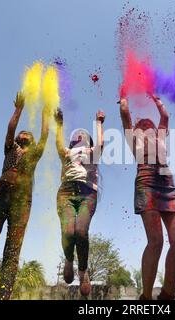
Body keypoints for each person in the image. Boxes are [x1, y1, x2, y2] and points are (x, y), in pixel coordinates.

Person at [0, 92, 51, 300]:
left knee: (12, 253)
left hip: (23, 200)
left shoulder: (34, 154)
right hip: (0, 193)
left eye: (27, 134)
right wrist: (19, 109)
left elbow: (45, 135)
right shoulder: (10, 148)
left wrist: (46, 113)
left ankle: (4, 297)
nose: (24, 134)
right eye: (22, 133)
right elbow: (11, 129)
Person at [119, 96, 175, 300]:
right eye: (142, 122)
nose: (146, 122)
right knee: (156, 241)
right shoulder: (133, 138)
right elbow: (124, 111)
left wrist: (156, 99)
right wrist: (123, 92)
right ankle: (146, 298)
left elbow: (165, 115)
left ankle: (167, 295)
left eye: (150, 122)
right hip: (146, 181)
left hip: (168, 185)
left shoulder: (160, 137)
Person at [55, 109, 105, 297]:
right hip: (66, 193)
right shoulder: (67, 153)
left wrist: (99, 122)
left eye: (84, 134)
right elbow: (58, 146)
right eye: (77, 134)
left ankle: (83, 270)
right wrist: (59, 125)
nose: (80, 134)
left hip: (87, 193)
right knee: (68, 231)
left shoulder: (93, 152)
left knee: (81, 231)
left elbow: (100, 143)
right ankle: (69, 259)